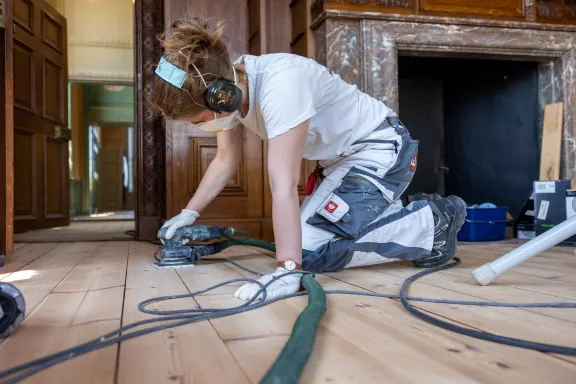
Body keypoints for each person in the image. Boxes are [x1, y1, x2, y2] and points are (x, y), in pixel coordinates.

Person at [148, 18, 467, 302]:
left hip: (381, 150)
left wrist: (288, 270)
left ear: (221, 95)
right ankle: (388, 210)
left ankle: (431, 223)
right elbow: (225, 160)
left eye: (197, 119)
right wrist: (189, 212)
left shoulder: (281, 85)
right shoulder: (232, 90)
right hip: (340, 165)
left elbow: (283, 184)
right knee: (306, 240)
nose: (199, 126)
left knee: (309, 252)